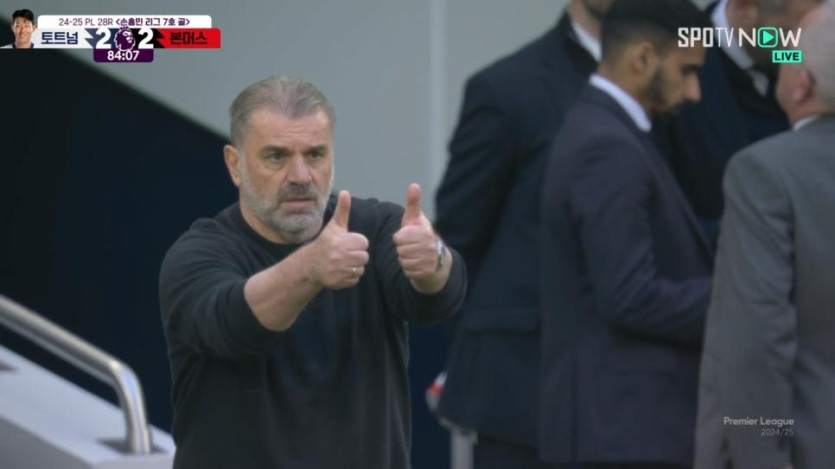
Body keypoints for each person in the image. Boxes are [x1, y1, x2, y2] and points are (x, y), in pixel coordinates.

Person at [158, 76, 467, 469]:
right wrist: (310, 268)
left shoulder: (374, 228)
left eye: (316, 155)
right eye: (277, 157)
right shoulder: (197, 255)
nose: (301, 176)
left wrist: (434, 259)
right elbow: (234, 327)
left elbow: (436, 299)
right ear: (235, 165)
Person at [434, 1, 611, 466]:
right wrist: (486, 355)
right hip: (525, 393)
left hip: (644, 392)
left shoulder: (688, 71)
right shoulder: (507, 87)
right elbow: (459, 237)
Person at [539, 0, 713, 467]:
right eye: (687, 70)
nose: (694, 92)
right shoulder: (607, 146)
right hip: (621, 431)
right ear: (643, 58)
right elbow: (629, 295)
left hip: (626, 426)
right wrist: (736, 301)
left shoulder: (611, 133)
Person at [695, 3, 835, 468]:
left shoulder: (764, 171)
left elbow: (759, 341)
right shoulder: (694, 45)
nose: (783, 51)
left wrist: (761, 454)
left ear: (802, 84)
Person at [658, 0, 820, 243]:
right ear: (745, 9)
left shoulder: (794, 57)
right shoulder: (674, 64)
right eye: (789, 34)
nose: (800, 49)